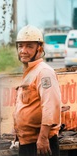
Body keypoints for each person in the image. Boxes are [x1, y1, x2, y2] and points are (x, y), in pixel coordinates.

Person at [13, 25, 61, 156]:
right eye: (20, 46)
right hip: (28, 142)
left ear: (39, 49)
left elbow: (51, 106)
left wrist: (43, 138)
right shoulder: (30, 71)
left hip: (41, 143)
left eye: (29, 46)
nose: (23, 50)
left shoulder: (44, 72)